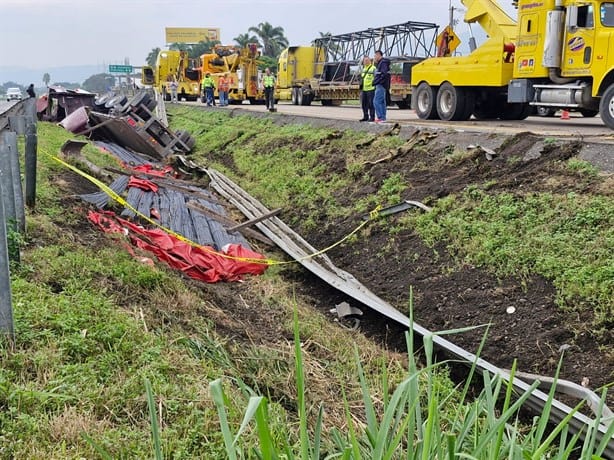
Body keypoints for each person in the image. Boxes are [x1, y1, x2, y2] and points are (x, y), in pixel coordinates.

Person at [373, 50, 390, 123]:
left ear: (378, 55)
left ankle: (380, 117)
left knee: (376, 101)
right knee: (382, 102)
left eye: (375, 55)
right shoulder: (382, 63)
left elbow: (384, 74)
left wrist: (378, 81)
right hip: (383, 85)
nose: (374, 57)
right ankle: (383, 118)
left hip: (381, 85)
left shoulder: (383, 63)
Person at [359, 56, 375, 122]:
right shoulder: (364, 69)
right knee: (364, 104)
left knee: (371, 104)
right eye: (365, 61)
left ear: (370, 61)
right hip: (364, 89)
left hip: (371, 89)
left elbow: (376, 78)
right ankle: (365, 116)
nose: (366, 62)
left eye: (367, 60)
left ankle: (372, 117)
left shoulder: (373, 68)